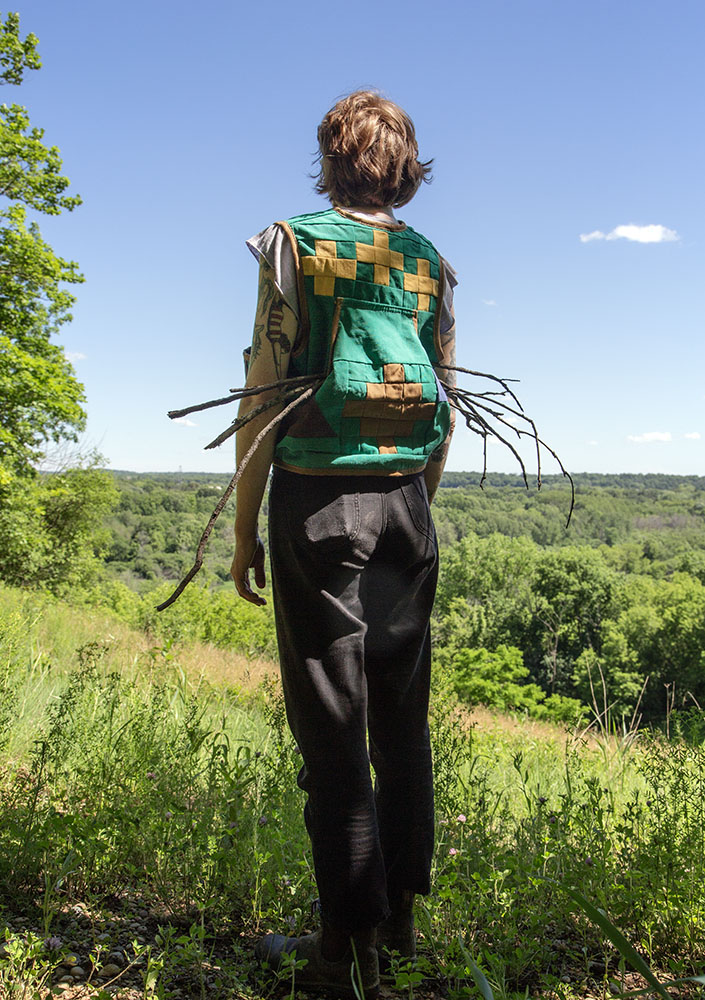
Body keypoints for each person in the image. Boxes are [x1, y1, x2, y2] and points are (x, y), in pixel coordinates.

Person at [230, 90, 457, 999]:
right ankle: (398, 931)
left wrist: (245, 523)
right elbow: (442, 399)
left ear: (330, 157)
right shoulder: (428, 259)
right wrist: (414, 503)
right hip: (407, 506)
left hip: (319, 506)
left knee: (333, 727)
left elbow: (262, 387)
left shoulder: (294, 242)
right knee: (401, 721)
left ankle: (341, 948)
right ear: (404, 166)